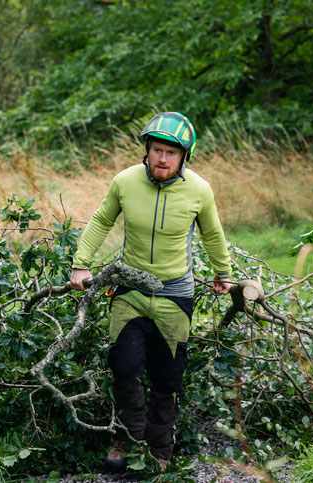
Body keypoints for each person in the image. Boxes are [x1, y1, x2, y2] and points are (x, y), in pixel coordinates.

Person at [69, 112, 232, 471]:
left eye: (171, 153)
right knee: (124, 367)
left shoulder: (199, 190)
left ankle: (159, 451)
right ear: (147, 151)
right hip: (130, 289)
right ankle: (128, 439)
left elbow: (212, 233)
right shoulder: (125, 182)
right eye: (157, 150)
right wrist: (81, 263)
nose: (162, 158)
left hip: (175, 295)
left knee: (167, 377)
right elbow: (101, 220)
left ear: (183, 157)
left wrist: (224, 273)